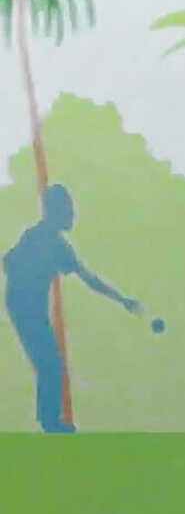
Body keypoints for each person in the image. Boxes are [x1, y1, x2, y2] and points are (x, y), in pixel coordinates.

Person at [4, 184, 142, 433]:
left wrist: (123, 300)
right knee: (51, 364)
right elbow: (89, 279)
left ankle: (48, 420)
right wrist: (124, 300)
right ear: (55, 211)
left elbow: (8, 262)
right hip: (25, 308)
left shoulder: (44, 239)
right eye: (68, 210)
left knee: (50, 364)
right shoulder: (47, 241)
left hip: (23, 306)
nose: (73, 215)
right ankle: (49, 422)